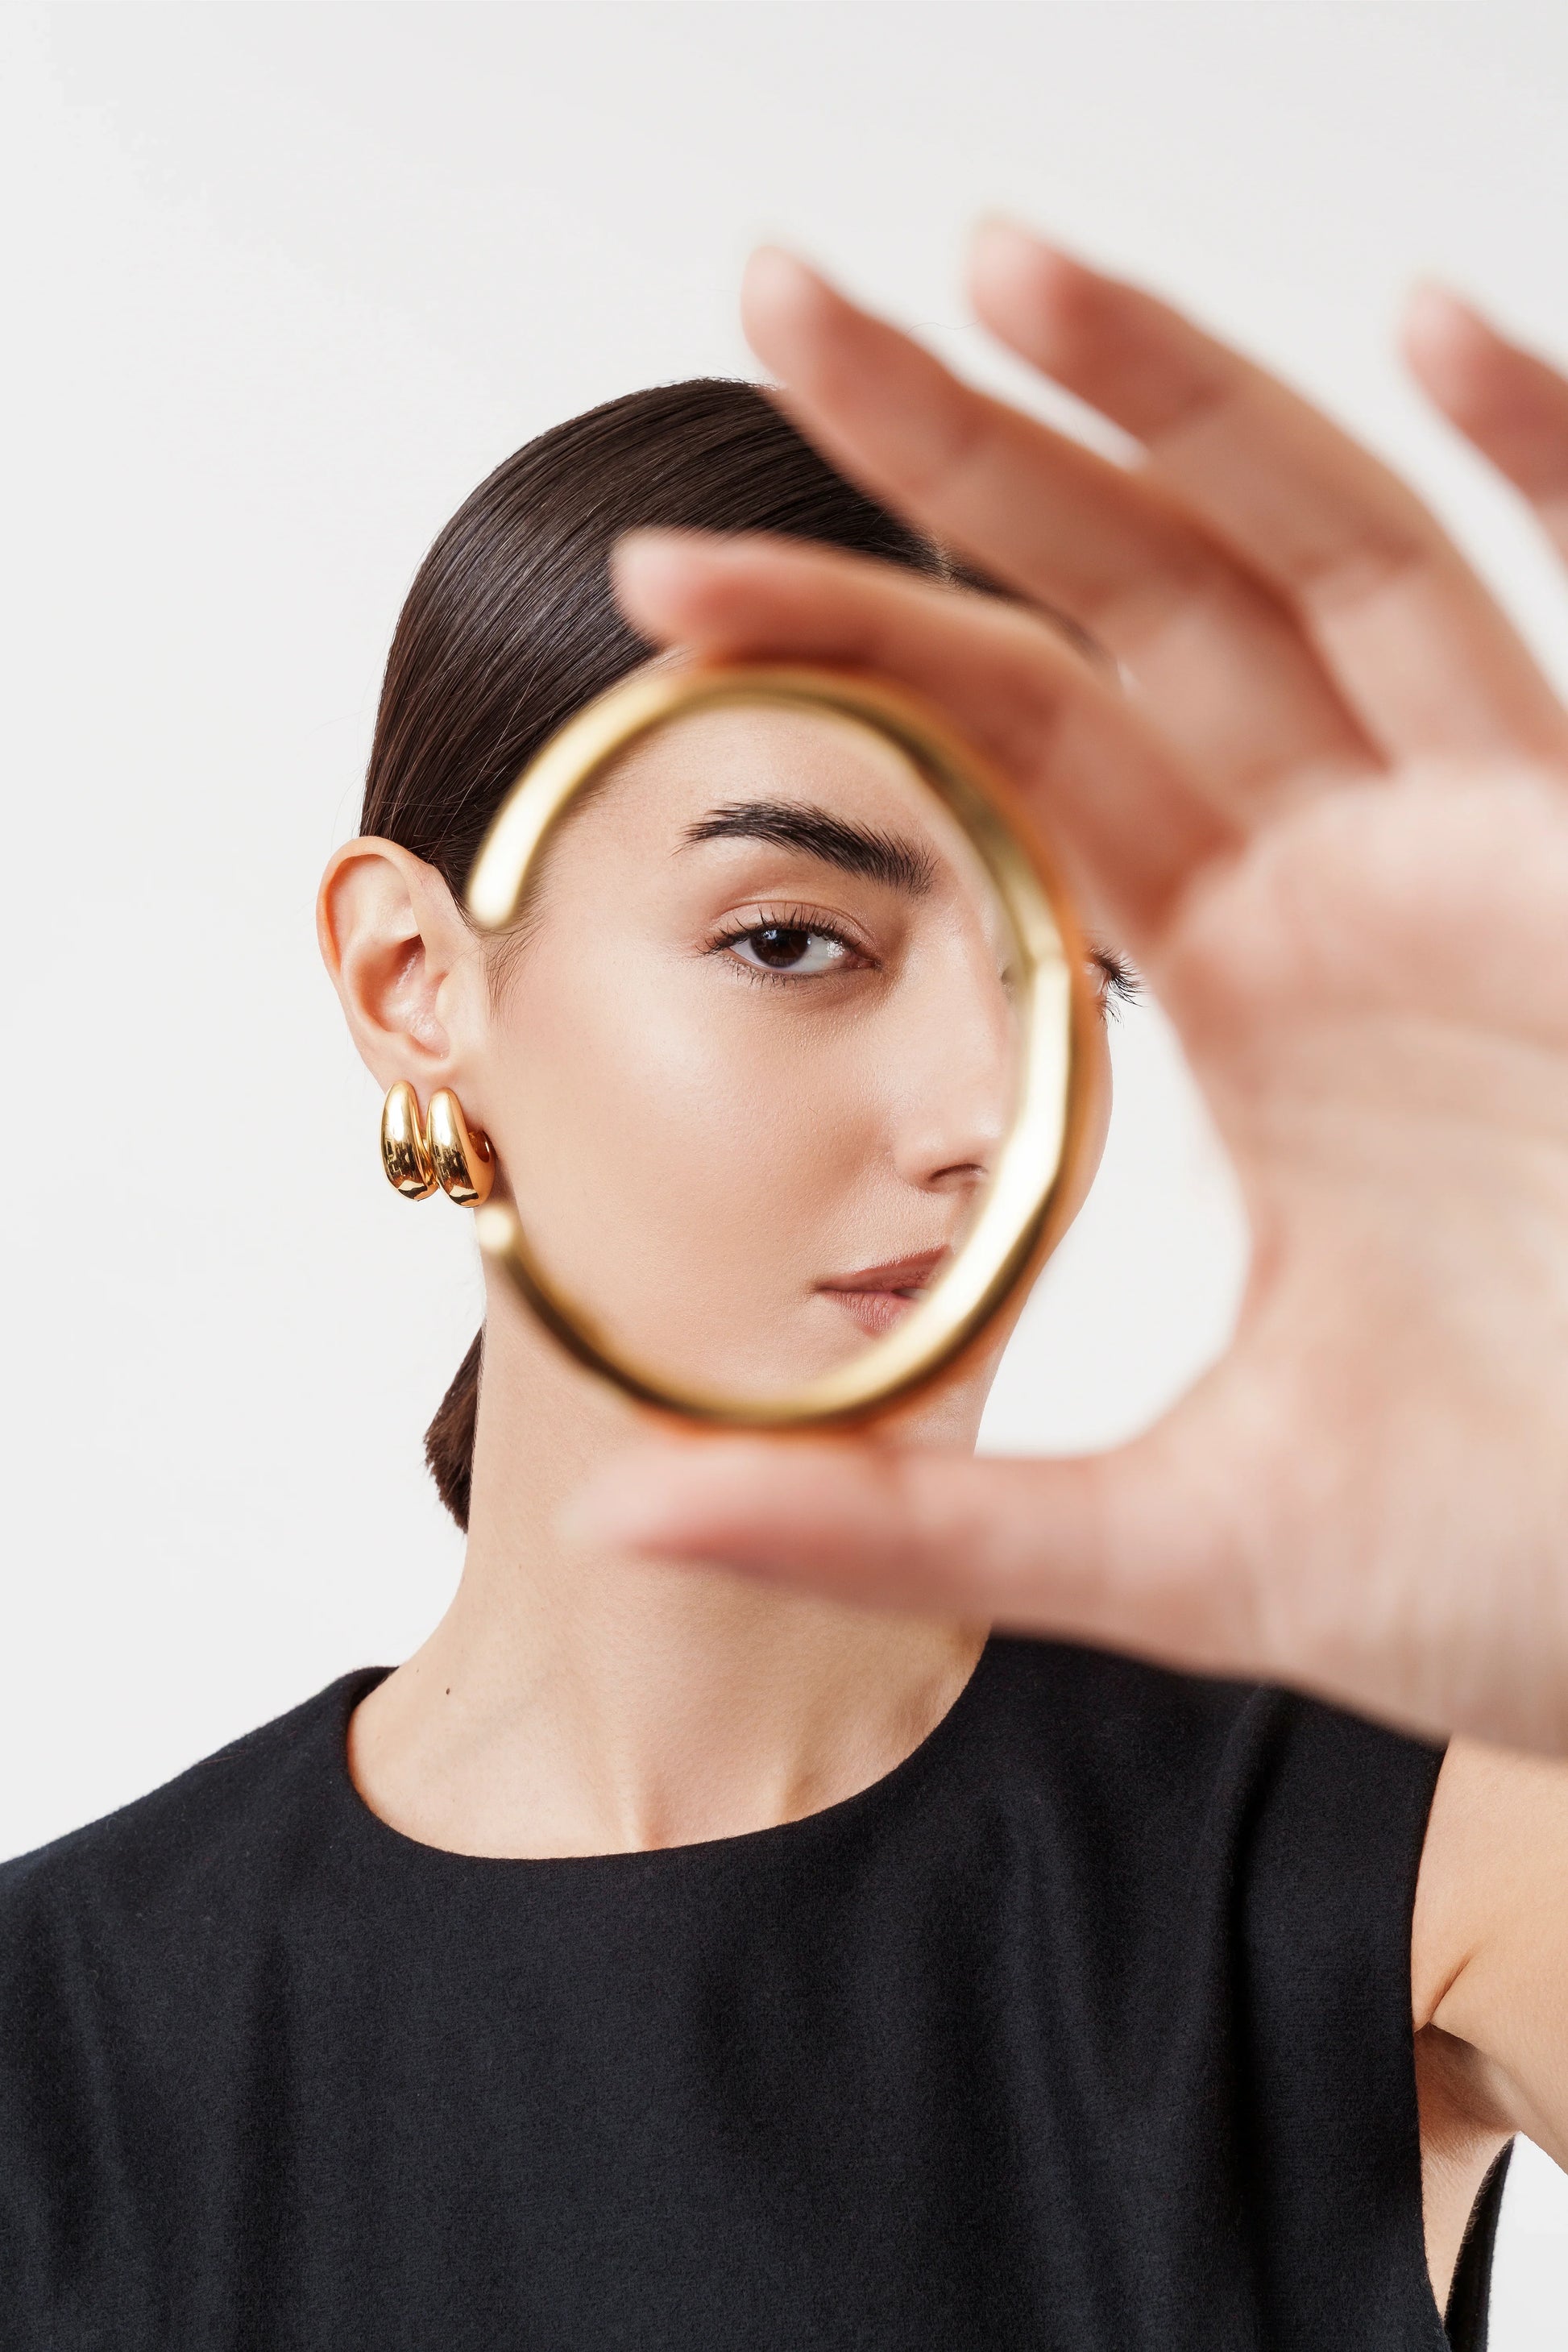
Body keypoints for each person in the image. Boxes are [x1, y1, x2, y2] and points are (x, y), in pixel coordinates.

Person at [1, 230, 1565, 2351]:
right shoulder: (63, 2040)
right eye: (793, 937)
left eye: (1068, 969)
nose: (986, 1108)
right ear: (412, 981)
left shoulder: (1402, 1835)